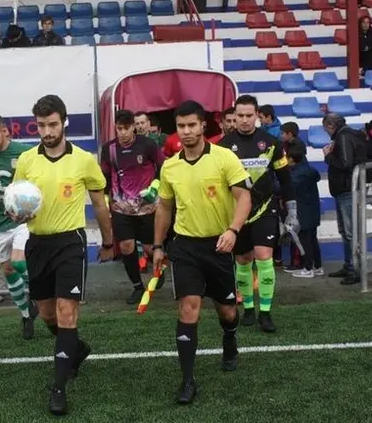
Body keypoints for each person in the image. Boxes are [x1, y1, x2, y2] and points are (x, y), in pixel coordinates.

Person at [12, 95, 115, 415]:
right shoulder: (27, 160)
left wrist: (108, 240)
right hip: (38, 244)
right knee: (47, 315)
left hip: (70, 243)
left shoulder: (84, 160)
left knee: (67, 311)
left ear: (64, 122)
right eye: (41, 125)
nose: (47, 131)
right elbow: (16, 201)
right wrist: (16, 213)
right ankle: (76, 348)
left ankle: (58, 388)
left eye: (52, 124)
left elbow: (100, 204)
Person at [152, 100, 252, 405]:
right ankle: (187, 381)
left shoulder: (224, 158)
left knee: (227, 312)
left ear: (202, 126)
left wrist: (233, 230)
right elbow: (164, 207)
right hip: (185, 246)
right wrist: (158, 245)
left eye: (191, 125)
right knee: (188, 308)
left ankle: (230, 339)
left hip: (219, 245)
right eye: (181, 126)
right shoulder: (170, 166)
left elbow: (244, 197)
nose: (186, 131)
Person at [219, 95, 298, 333]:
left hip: (266, 208)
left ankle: (265, 312)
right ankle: (248, 309)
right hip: (237, 213)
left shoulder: (272, 143)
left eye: (249, 115)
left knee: (264, 257)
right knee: (243, 261)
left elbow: (285, 179)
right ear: (234, 117)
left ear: (257, 116)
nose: (244, 120)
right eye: (240, 116)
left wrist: (292, 210)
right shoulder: (223, 146)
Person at [0, 114, 38, 338]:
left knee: (19, 261)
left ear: (5, 131)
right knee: (9, 270)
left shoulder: (25, 152)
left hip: (22, 220)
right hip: (0, 222)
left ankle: (40, 292)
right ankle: (26, 315)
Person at [100, 110, 164, 304]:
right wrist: (106, 199)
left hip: (147, 207)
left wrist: (155, 187)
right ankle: (137, 287)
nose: (122, 133)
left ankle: (159, 268)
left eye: (126, 128)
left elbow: (163, 168)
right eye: (119, 129)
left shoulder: (148, 145)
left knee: (149, 248)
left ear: (133, 127)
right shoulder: (109, 149)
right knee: (126, 246)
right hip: (121, 208)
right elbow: (105, 176)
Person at [322, 113, 367, 285]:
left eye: (326, 128)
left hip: (347, 189)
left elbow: (345, 163)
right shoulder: (349, 134)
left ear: (330, 125)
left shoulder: (343, 136)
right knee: (346, 231)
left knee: (349, 232)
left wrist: (328, 156)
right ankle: (350, 266)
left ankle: (355, 269)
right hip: (347, 188)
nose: (326, 132)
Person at [286, 139, 324, 279]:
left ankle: (308, 268)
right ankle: (318, 266)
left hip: (302, 210)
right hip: (312, 208)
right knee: (313, 239)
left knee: (305, 240)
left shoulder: (297, 174)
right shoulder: (309, 169)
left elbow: (284, 187)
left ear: (291, 159)